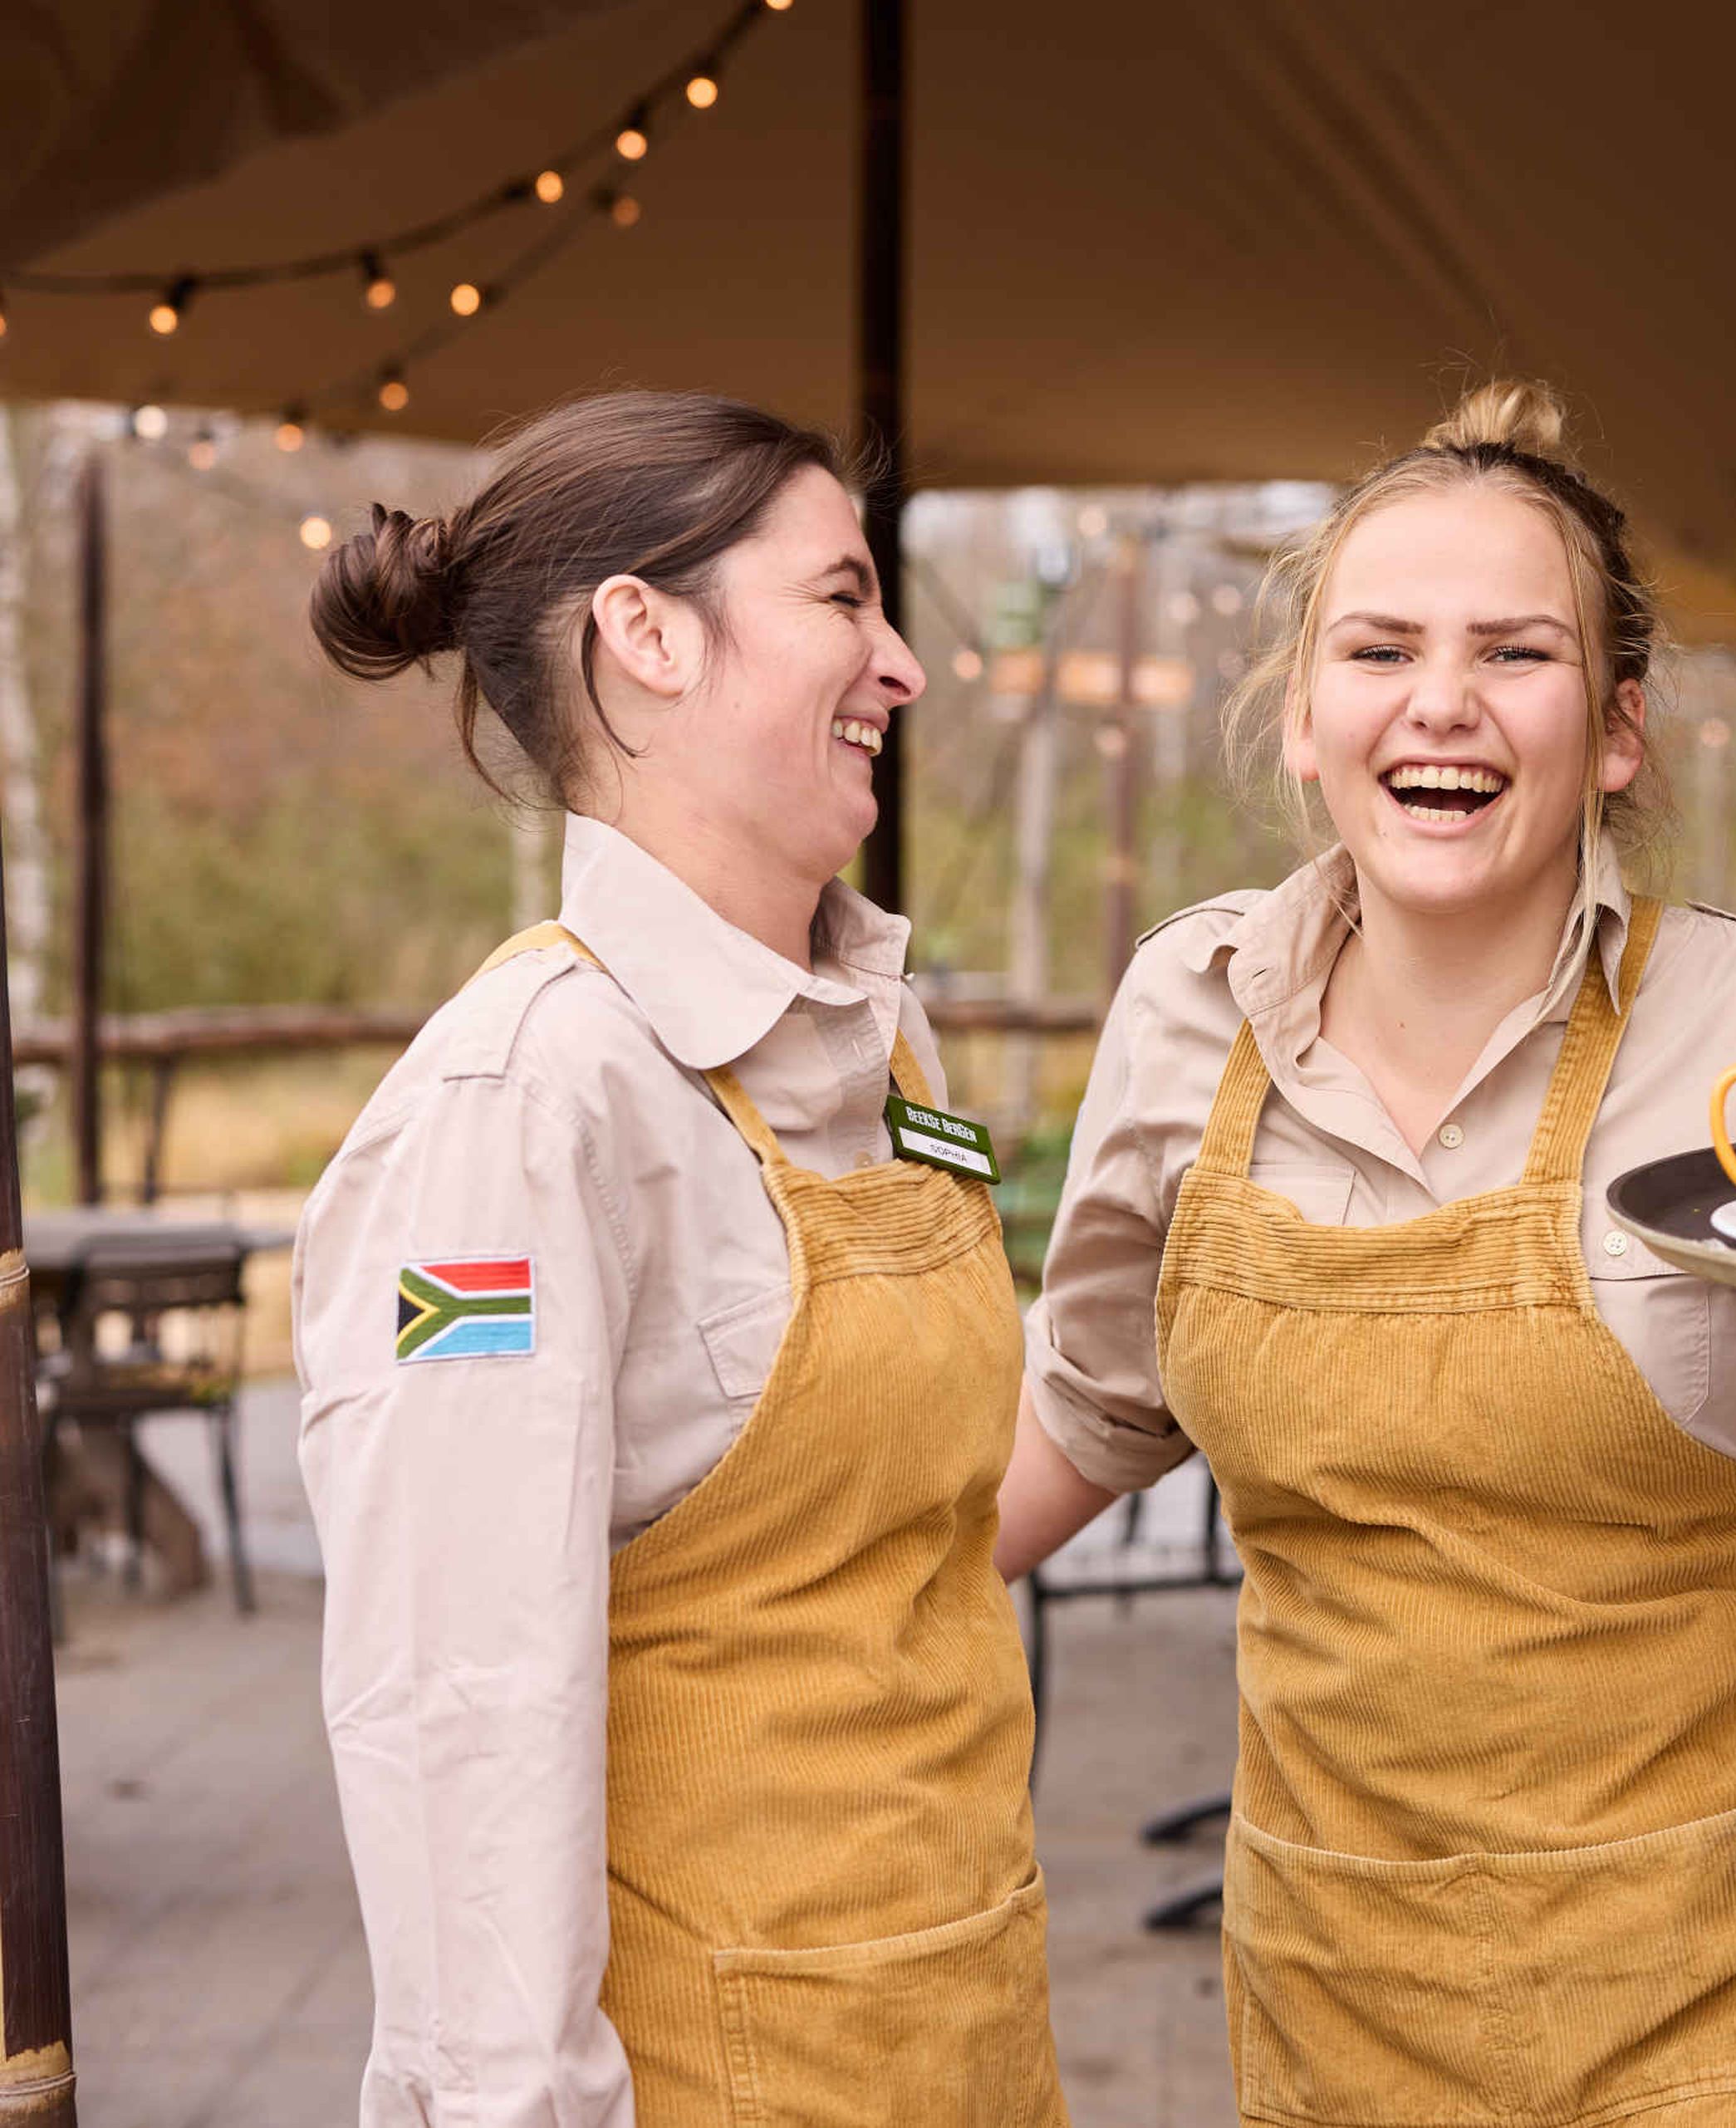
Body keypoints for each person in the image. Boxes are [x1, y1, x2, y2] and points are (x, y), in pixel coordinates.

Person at [998, 380, 1736, 2123]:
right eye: (1377, 650)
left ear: (1616, 730)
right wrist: (695, 1555)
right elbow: (1078, 1420)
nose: (1439, 702)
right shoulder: (1187, 1013)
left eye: (1514, 655)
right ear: (1305, 716)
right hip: (1344, 1986)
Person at [295, 392, 1070, 2128]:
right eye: (842, 597)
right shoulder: (519, 1109)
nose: (903, 665)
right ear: (645, 635)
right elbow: (464, 1705)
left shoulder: (889, 1042)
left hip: (959, 2040)